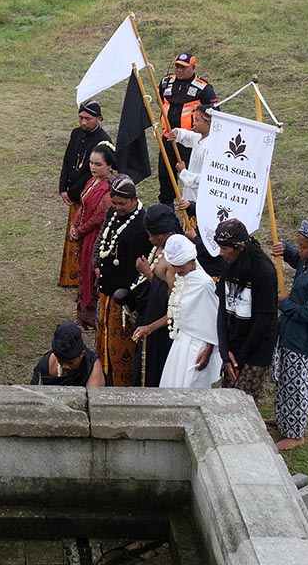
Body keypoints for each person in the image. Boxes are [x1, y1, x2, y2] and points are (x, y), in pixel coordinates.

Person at [269, 220, 308, 451]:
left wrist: (285, 304)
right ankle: (285, 420)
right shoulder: (307, 264)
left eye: (303, 246)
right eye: (299, 244)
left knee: (296, 386)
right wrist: (285, 248)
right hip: (288, 334)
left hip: (302, 340)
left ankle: (296, 434)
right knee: (284, 381)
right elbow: (297, 258)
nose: (300, 249)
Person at [93, 174, 150, 386]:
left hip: (124, 299)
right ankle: (103, 378)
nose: (117, 207)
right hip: (106, 291)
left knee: (121, 345)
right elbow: (104, 241)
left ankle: (122, 385)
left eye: (122, 203)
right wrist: (98, 265)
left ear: (134, 199)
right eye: (114, 202)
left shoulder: (141, 227)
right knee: (105, 341)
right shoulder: (112, 213)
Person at [213, 219, 278, 401]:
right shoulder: (229, 264)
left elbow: (264, 321)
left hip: (255, 350)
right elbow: (223, 308)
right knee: (226, 400)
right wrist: (225, 352)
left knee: (242, 403)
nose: (221, 253)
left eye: (225, 249)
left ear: (240, 247)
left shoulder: (264, 272)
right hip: (234, 343)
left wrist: (239, 359)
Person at [159, 233, 223, 389]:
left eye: (180, 266)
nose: (177, 270)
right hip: (182, 341)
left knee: (191, 385)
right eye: (175, 266)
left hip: (198, 344)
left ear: (191, 260)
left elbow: (214, 318)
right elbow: (176, 313)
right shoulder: (183, 278)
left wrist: (208, 351)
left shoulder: (204, 283)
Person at [58, 101, 111, 287]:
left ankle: (83, 276)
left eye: (88, 119)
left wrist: (74, 193)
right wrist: (63, 187)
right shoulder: (76, 133)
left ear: (99, 119)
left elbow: (92, 173)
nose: (83, 122)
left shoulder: (103, 141)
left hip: (87, 196)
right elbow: (68, 160)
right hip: (74, 193)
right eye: (81, 118)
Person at [167, 103, 223, 277]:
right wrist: (178, 133)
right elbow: (190, 137)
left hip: (200, 201)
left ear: (209, 122)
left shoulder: (212, 147)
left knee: (197, 235)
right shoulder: (201, 138)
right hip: (189, 197)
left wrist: (183, 173)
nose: (194, 123)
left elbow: (205, 180)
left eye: (197, 120)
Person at [156, 53, 217, 205]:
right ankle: (166, 209)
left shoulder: (204, 88)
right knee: (165, 176)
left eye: (184, 67)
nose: (179, 70)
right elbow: (160, 101)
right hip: (168, 137)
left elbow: (215, 113)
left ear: (193, 67)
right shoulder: (166, 82)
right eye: (177, 66)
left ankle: (194, 208)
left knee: (193, 177)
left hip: (190, 142)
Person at [130, 203, 179, 387]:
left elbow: (175, 299)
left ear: (167, 233)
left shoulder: (174, 258)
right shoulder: (158, 247)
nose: (150, 238)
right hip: (147, 315)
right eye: (148, 233)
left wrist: (148, 274)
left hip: (161, 329)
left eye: (154, 235)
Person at [69, 142, 115, 330]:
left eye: (98, 164)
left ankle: (90, 318)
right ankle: (83, 315)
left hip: (95, 236)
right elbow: (83, 204)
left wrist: (79, 230)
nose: (93, 167)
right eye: (91, 163)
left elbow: (98, 217)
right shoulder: (92, 181)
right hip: (84, 233)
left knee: (92, 273)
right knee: (84, 272)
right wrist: (74, 223)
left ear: (109, 166)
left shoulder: (109, 187)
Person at [31, 322, 105, 387]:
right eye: (61, 361)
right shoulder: (45, 365)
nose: (65, 366)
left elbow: (92, 399)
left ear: (82, 354)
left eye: (71, 362)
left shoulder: (92, 369)